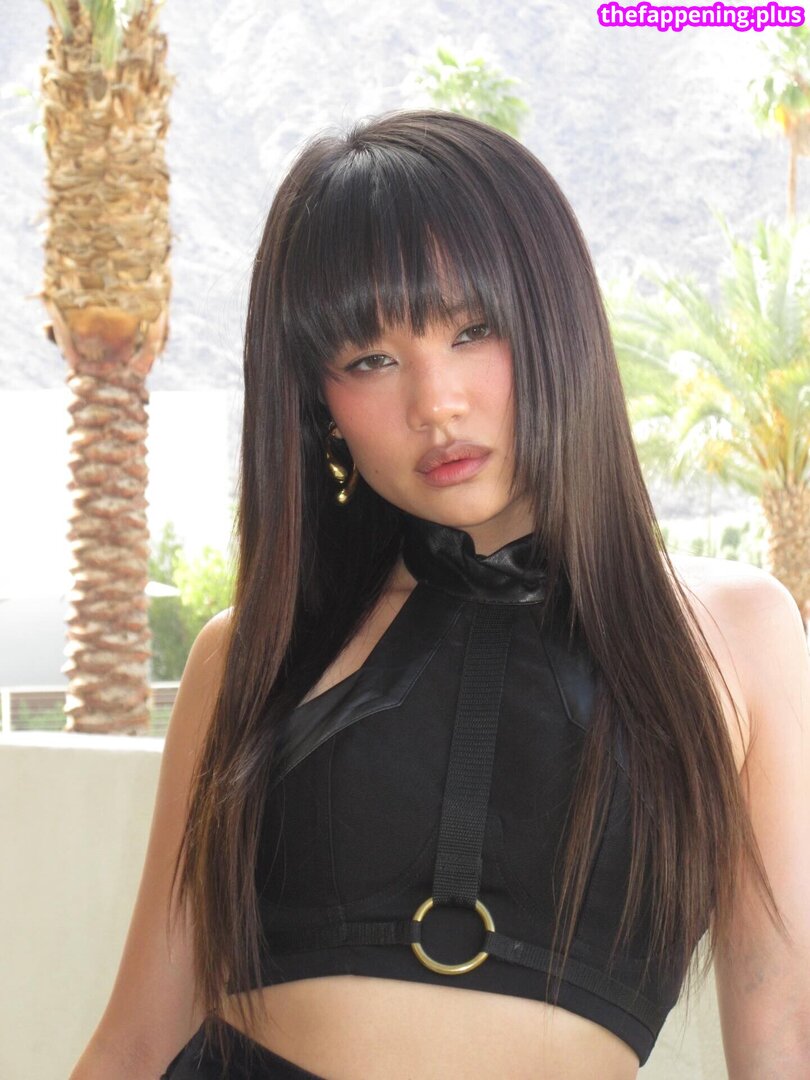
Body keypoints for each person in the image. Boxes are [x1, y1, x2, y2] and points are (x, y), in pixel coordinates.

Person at [70, 108, 809, 1080]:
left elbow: (786, 1035)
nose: (435, 403)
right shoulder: (254, 649)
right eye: (370, 360)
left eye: (473, 330)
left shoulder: (737, 631)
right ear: (319, 405)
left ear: (557, 326)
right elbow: (133, 1044)